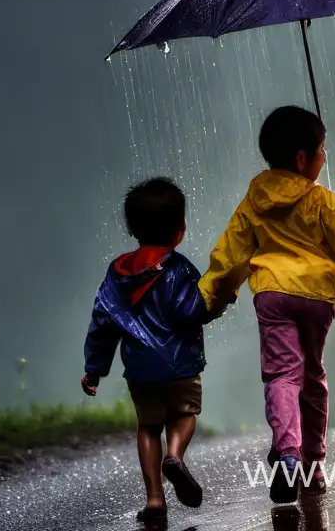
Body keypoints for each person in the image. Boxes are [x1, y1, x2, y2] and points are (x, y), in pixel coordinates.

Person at [198, 105, 335, 504]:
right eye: (322, 150)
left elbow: (232, 254)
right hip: (317, 300)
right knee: (312, 379)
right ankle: (314, 467)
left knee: (282, 377)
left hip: (273, 297)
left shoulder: (253, 200)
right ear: (302, 159)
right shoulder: (320, 199)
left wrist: (212, 296)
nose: (325, 157)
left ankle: (288, 454)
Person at [82, 178, 222, 524]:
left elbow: (103, 320)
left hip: (141, 370)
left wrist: (95, 367)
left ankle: (155, 499)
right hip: (181, 366)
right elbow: (193, 311)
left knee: (148, 427)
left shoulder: (117, 274)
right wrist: (218, 299)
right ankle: (175, 455)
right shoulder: (179, 269)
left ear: (133, 229)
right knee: (185, 413)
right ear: (180, 229)